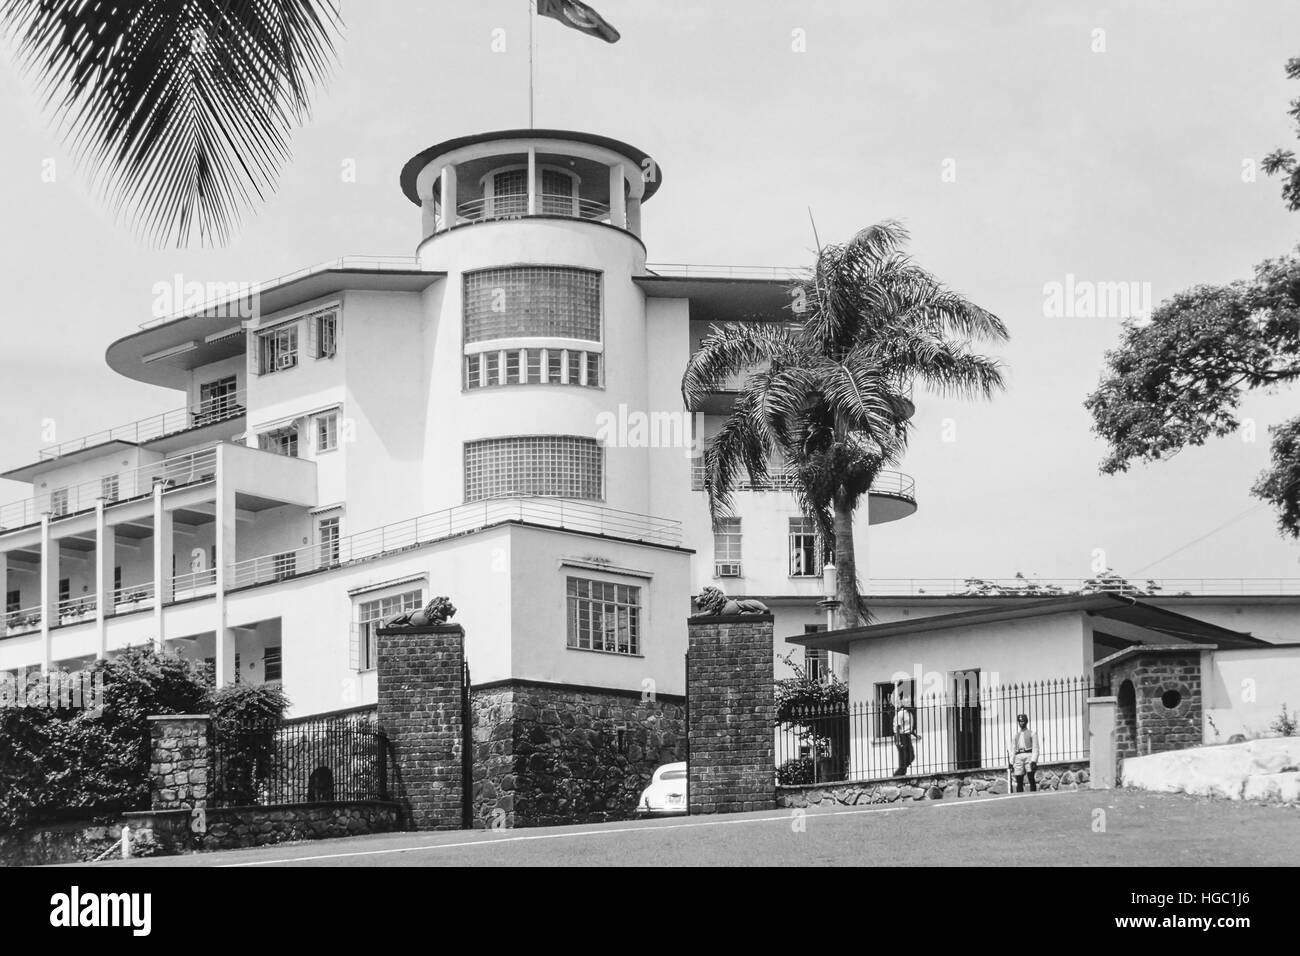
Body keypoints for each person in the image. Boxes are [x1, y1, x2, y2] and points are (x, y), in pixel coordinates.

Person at [1009, 713, 1039, 792]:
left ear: (1026, 722)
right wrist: (1011, 762)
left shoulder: (1032, 733)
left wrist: (1034, 760)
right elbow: (1013, 749)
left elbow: (1035, 747)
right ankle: (1019, 797)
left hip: (1029, 754)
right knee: (1019, 779)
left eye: (1023, 721)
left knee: (1031, 777)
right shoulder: (1016, 735)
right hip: (1018, 756)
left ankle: (1033, 795)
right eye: (1020, 721)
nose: (1021, 723)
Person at [892, 684, 918, 776]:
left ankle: (901, 771)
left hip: (907, 735)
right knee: (904, 756)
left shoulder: (909, 714)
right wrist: (898, 740)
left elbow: (909, 728)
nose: (909, 702)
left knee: (911, 756)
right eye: (906, 701)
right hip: (900, 735)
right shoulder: (900, 714)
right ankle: (899, 773)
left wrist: (915, 735)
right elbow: (898, 728)